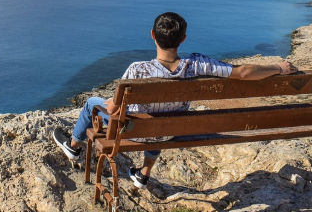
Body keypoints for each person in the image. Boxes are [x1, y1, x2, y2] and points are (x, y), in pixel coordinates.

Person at [52, 11, 298, 189]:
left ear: (152, 35)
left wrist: (107, 103)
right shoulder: (197, 64)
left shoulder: (137, 70)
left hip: (136, 131)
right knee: (162, 117)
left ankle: (73, 147)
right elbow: (243, 72)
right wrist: (278, 68)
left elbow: (114, 110)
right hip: (168, 132)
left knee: (91, 104)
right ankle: (143, 173)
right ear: (183, 39)